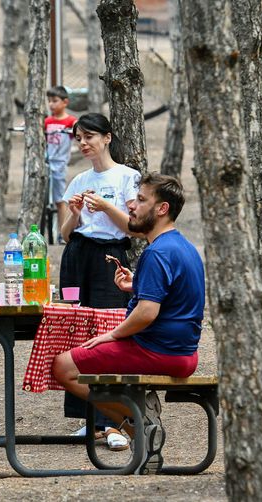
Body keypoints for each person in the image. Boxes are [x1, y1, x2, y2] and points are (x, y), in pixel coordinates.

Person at [53, 172, 205, 447]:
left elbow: (147, 313)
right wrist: (136, 287)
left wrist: (112, 335)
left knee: (63, 366)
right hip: (183, 352)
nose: (131, 205)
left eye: (141, 200)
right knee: (90, 360)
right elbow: (171, 296)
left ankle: (136, 422)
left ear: (162, 209)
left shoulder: (156, 253)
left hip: (160, 352)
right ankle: (138, 421)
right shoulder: (182, 246)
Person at [58, 112, 141, 449]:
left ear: (107, 137)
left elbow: (131, 230)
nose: (83, 143)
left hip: (110, 258)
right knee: (77, 332)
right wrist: (76, 215)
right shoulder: (77, 181)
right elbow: (64, 235)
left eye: (89, 136)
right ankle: (89, 420)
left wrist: (106, 206)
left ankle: (116, 421)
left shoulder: (128, 177)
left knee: (107, 334)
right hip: (77, 258)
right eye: (79, 138)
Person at [44, 86, 77, 243]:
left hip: (60, 163)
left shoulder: (70, 121)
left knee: (59, 199)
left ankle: (61, 232)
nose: (51, 104)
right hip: (46, 162)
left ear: (65, 102)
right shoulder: (47, 121)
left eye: (55, 101)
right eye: (49, 101)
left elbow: (78, 130)